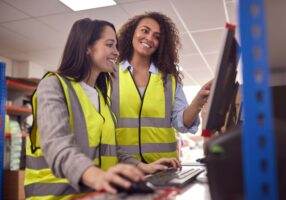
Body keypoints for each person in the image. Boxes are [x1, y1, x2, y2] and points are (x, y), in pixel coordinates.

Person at [24, 18, 144, 200]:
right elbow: (57, 145)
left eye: (116, 46)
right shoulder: (53, 85)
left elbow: (111, 151)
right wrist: (98, 177)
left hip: (94, 194)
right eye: (110, 45)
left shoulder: (101, 97)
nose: (116, 52)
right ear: (87, 47)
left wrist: (142, 167)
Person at [111, 12, 211, 174]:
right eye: (145, 31)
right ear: (132, 33)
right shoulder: (110, 74)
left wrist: (198, 101)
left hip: (164, 167)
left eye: (157, 36)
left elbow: (181, 123)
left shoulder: (168, 79)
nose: (150, 38)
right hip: (123, 168)